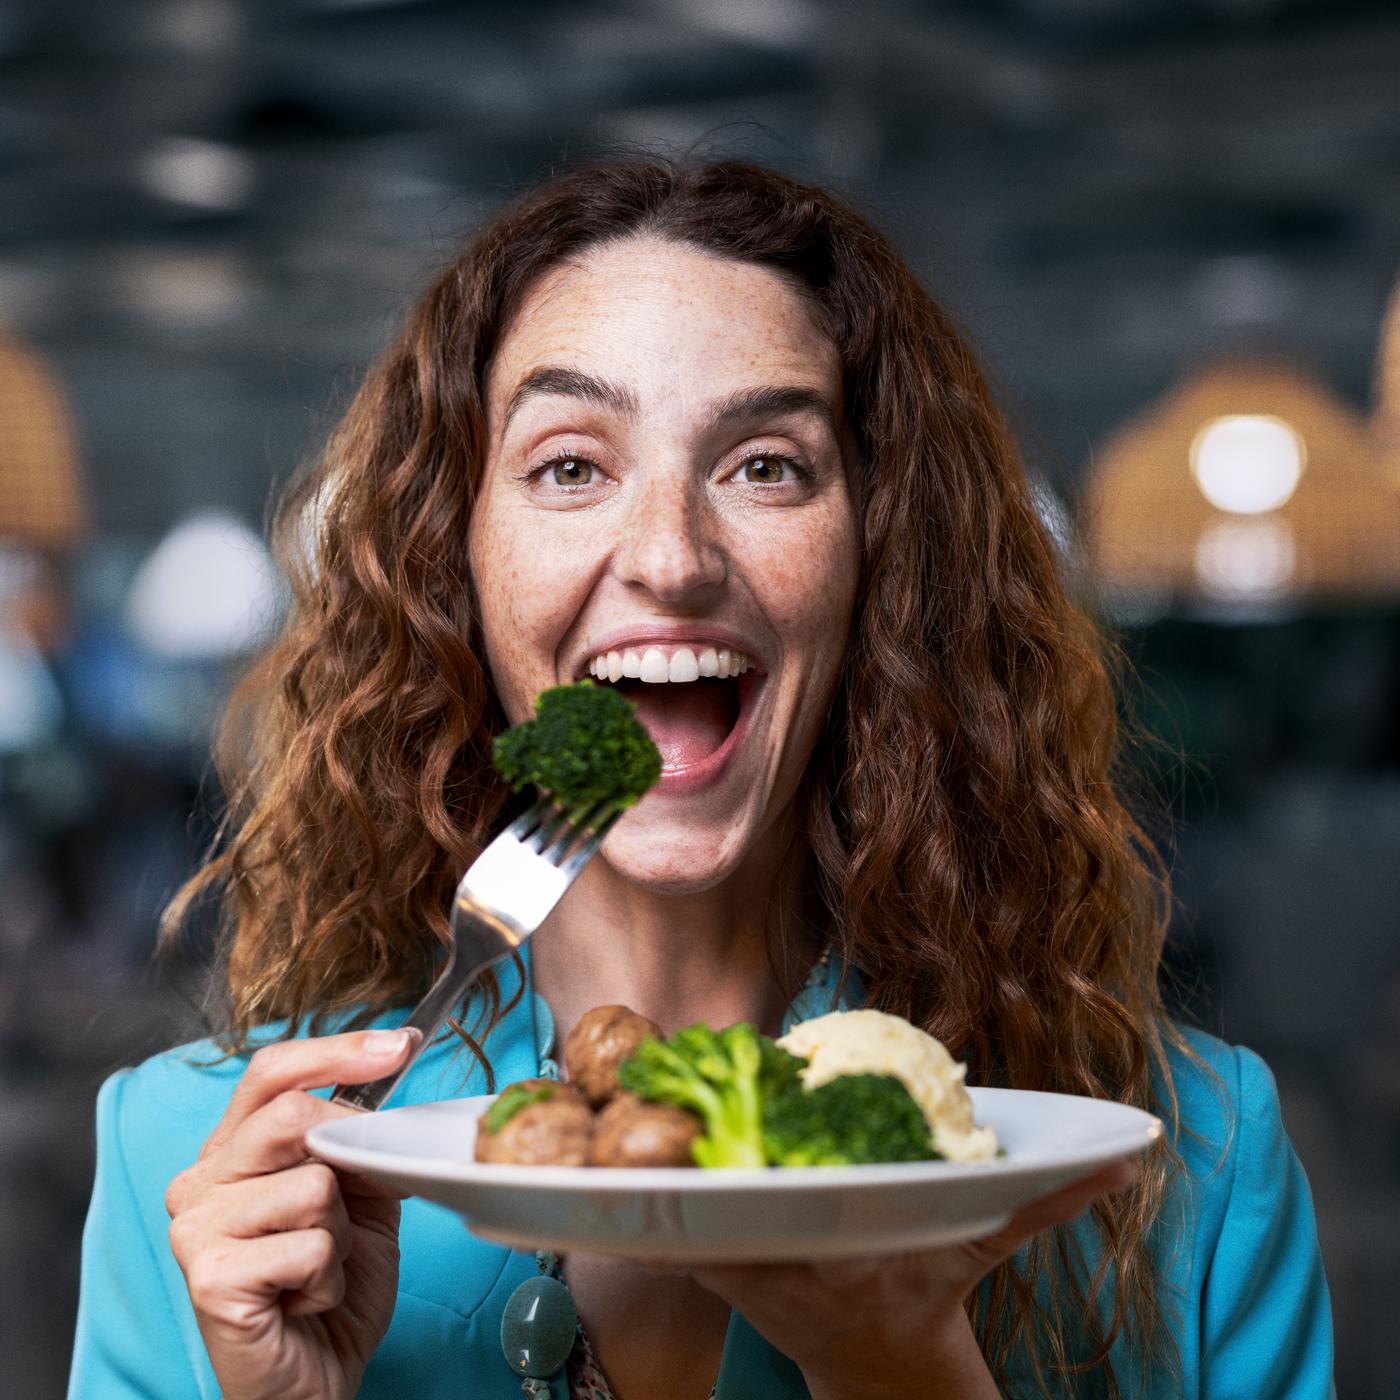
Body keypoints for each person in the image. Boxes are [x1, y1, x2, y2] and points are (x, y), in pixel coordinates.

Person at [68, 158, 1334, 1400]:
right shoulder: (194, 1170)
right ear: (454, 558)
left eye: (764, 465)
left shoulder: (1187, 1170)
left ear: (877, 562)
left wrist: (900, 1371)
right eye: (570, 465)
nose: (669, 556)